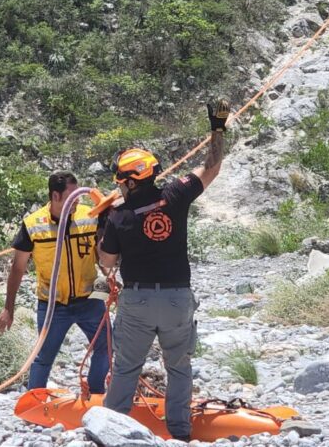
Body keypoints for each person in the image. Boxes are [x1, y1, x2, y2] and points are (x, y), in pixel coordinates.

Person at [99, 100, 229, 442]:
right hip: (176, 299)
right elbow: (212, 167)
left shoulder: (118, 216)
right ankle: (180, 433)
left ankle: (110, 430)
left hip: (138, 301)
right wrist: (217, 129)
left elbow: (106, 263)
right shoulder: (176, 194)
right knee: (179, 367)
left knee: (126, 368)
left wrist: (102, 229)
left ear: (129, 181)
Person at [0, 171, 110, 395]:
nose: (77, 200)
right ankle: (35, 401)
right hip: (53, 305)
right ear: (56, 196)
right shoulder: (33, 224)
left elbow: (101, 256)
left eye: (78, 195)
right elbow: (18, 268)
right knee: (43, 357)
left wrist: (109, 283)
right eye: (72, 196)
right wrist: (8, 308)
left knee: (107, 347)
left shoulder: (90, 216)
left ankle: (96, 394)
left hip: (90, 300)